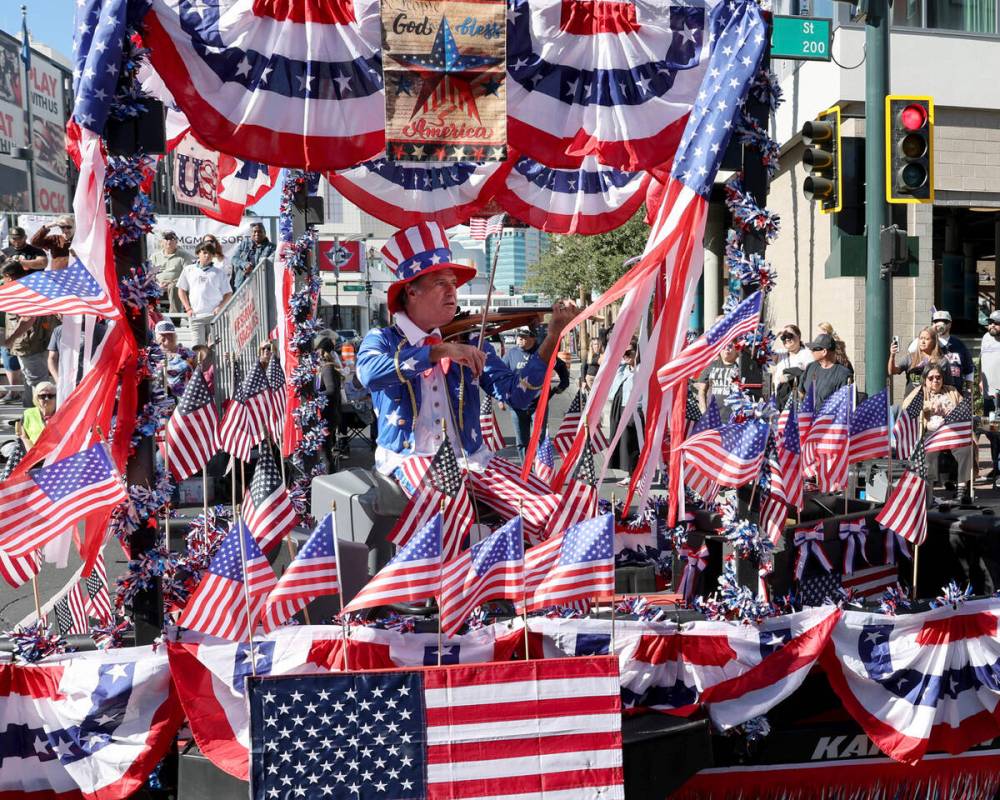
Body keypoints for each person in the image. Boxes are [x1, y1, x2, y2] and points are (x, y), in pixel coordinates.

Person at [357, 221, 574, 541]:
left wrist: (552, 337)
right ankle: (448, 586)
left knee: (553, 510)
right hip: (411, 459)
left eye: (453, 283)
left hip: (473, 459)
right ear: (411, 291)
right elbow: (370, 374)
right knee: (450, 510)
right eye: (440, 283)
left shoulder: (472, 338)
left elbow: (516, 395)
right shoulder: (383, 339)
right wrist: (436, 352)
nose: (452, 290)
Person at [902, 364, 972, 503]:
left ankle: (961, 490)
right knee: (929, 452)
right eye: (931, 378)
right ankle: (929, 491)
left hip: (952, 432)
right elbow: (906, 408)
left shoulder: (951, 391)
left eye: (938, 377)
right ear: (925, 380)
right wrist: (927, 406)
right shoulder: (919, 392)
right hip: (931, 433)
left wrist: (952, 411)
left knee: (966, 449)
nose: (935, 380)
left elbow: (964, 408)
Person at [501, 326, 569, 459]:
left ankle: (540, 469)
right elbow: (502, 376)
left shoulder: (542, 354)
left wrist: (562, 385)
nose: (520, 339)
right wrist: (501, 398)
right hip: (516, 405)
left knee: (540, 437)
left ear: (532, 338)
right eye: (518, 336)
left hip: (539, 403)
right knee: (521, 441)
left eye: (524, 337)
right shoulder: (510, 354)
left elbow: (560, 366)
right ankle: (526, 472)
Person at [1, 261, 56, 404]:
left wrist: (10, 339)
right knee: (29, 381)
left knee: (36, 384)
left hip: (31, 346)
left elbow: (27, 319)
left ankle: (38, 419)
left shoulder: (22, 292)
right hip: (33, 344)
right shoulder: (30, 286)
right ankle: (28, 416)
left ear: (8, 276)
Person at [177, 243, 233, 345]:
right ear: (198, 253)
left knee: (214, 349)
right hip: (196, 316)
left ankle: (213, 361)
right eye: (205, 253)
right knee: (198, 349)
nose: (207, 256)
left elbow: (228, 293)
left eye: (210, 254)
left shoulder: (219, 272)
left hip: (214, 317)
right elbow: (181, 290)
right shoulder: (189, 269)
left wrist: (220, 307)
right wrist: (188, 308)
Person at [909, 310, 974, 393]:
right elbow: (911, 349)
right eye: (936, 321)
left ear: (950, 324)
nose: (940, 324)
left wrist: (969, 390)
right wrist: (931, 333)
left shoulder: (959, 345)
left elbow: (969, 369)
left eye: (944, 321)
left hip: (954, 393)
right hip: (931, 393)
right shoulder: (928, 342)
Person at [608, 348, 641, 482]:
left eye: (629, 353)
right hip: (619, 406)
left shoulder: (641, 369)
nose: (625, 356)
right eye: (624, 353)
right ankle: (630, 474)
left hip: (634, 408)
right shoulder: (623, 369)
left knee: (633, 442)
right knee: (623, 443)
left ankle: (636, 476)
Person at [801, 332, 852, 407]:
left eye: (814, 349)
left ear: (824, 352)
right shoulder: (810, 367)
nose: (811, 351)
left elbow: (845, 405)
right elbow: (800, 392)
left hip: (828, 417)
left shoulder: (843, 374)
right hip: (808, 416)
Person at [889, 326, 943, 395]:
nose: (923, 342)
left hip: (932, 401)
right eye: (921, 338)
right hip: (911, 400)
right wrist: (892, 355)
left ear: (934, 341)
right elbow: (892, 371)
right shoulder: (910, 357)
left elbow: (947, 384)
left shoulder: (941, 360)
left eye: (927, 339)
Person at [697, 340, 741, 422]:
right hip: (712, 418)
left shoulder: (741, 369)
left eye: (730, 346)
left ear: (736, 350)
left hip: (733, 420)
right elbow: (701, 391)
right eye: (724, 346)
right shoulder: (711, 366)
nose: (727, 349)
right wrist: (704, 413)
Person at [980, 310, 1000, 479]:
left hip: (999, 397)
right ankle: (996, 467)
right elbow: (982, 361)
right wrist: (980, 380)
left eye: (996, 323)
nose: (992, 325)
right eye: (990, 322)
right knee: (991, 433)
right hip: (988, 395)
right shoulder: (986, 338)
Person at [771, 324, 812, 407]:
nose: (787, 339)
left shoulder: (807, 354)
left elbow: (810, 375)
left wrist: (789, 376)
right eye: (783, 337)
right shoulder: (780, 354)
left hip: (797, 401)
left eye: (790, 335)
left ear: (799, 337)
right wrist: (776, 335)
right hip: (779, 400)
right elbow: (763, 352)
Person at [151, 230, 190, 313]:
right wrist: (157, 285)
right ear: (162, 242)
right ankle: (152, 318)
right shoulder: (155, 257)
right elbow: (150, 274)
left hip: (175, 285)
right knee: (145, 288)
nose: (169, 241)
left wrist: (172, 282)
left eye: (172, 239)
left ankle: (174, 319)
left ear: (176, 241)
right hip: (158, 286)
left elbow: (188, 274)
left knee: (173, 287)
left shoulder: (184, 256)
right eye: (166, 239)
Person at [155, 319, 195, 396]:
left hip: (185, 397)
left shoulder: (186, 352)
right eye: (163, 334)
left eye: (170, 334)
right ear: (157, 336)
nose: (167, 337)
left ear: (175, 336)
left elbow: (199, 369)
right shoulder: (153, 354)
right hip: (161, 398)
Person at [232, 222, 275, 290]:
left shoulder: (272, 247)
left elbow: (270, 264)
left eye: (260, 231)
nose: (257, 234)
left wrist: (253, 267)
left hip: (261, 285)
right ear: (251, 233)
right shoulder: (244, 243)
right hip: (242, 283)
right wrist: (244, 265)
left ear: (265, 233)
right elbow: (234, 258)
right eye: (254, 231)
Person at [19, 381, 57, 447]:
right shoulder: (28, 414)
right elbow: (24, 437)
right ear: (37, 398)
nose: (47, 398)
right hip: (34, 452)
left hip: (57, 453)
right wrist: (33, 454)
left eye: (50, 396)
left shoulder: (63, 413)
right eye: (42, 396)